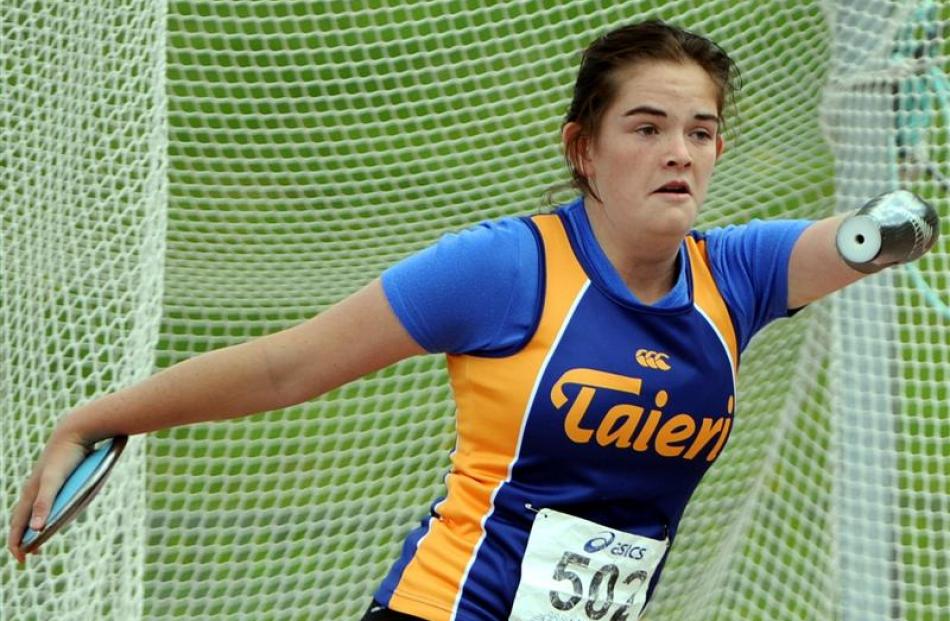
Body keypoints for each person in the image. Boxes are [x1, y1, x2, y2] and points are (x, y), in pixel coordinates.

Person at [7, 19, 938, 621]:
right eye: (646, 128)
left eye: (699, 132)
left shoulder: (734, 274)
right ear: (583, 148)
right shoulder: (506, 269)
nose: (679, 154)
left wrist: (900, 220)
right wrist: (101, 415)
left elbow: (875, 235)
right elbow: (287, 369)